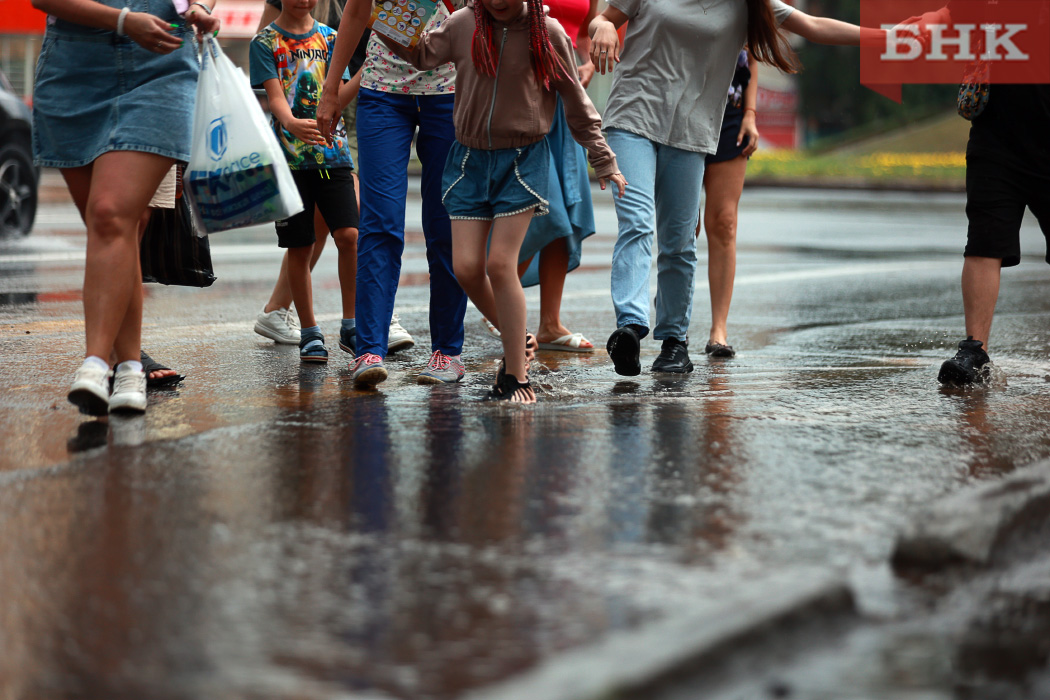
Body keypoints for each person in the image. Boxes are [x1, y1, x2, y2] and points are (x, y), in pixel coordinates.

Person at [378, 0, 627, 402]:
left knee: (499, 263)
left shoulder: (548, 33)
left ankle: (515, 375)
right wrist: (387, 22)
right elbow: (422, 54)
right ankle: (519, 336)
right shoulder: (462, 24)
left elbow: (574, 99)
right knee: (466, 267)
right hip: (468, 161)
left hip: (522, 161)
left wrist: (603, 159)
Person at [32, 0, 219, 415]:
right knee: (114, 232)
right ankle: (131, 366)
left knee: (110, 214)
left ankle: (96, 364)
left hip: (162, 60)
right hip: (74, 63)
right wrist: (122, 20)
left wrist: (202, 6)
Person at [696, 12, 884, 360]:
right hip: (683, 113)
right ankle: (673, 314)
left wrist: (880, 37)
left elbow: (808, 27)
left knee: (724, 222)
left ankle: (718, 330)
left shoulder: (749, 3)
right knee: (683, 225)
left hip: (732, 114)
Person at [315, 0, 469, 388]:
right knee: (379, 223)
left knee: (445, 226)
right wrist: (330, 88)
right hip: (382, 92)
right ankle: (369, 349)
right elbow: (355, 12)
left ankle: (447, 352)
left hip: (449, 91)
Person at [249, 0, 360, 363]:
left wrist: (367, 69)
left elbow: (338, 97)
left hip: (334, 156)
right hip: (290, 160)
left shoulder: (332, 38)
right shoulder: (265, 42)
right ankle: (311, 334)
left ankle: (352, 325)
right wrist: (290, 122)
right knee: (300, 246)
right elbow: (276, 97)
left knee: (349, 235)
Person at [511, 0, 600, 354]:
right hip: (523, 97)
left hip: (564, 101)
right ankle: (503, 308)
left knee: (564, 200)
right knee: (529, 202)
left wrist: (589, 62)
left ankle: (549, 323)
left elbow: (590, 27)